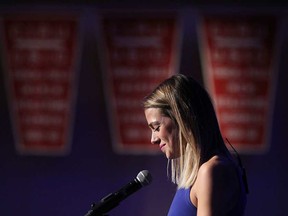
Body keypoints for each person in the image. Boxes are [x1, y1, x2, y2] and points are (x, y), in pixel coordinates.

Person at [143, 74, 248, 216]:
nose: (153, 139)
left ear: (182, 118)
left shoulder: (211, 171)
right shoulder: (202, 174)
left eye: (156, 127)